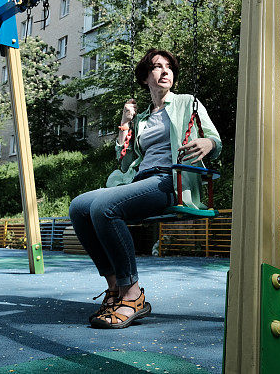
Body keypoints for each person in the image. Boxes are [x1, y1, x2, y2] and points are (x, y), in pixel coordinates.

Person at [68, 48, 222, 329]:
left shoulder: (188, 103)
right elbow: (125, 161)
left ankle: (132, 294)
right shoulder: (141, 119)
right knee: (79, 207)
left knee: (104, 208)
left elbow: (214, 138)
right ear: (145, 77)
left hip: (169, 181)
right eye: (157, 67)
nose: (165, 71)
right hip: (140, 181)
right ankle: (115, 289)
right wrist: (125, 124)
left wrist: (208, 144)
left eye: (169, 67)